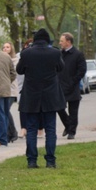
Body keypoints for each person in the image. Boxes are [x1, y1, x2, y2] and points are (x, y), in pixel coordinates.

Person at [16, 28, 65, 168]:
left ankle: (32, 160)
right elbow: (61, 68)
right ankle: (50, 160)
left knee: (31, 129)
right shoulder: (55, 53)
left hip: (31, 95)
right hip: (50, 96)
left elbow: (19, 70)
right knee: (50, 130)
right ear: (47, 39)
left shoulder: (26, 53)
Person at [57, 32, 86, 140]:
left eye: (62, 41)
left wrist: (73, 81)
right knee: (59, 108)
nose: (60, 43)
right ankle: (68, 125)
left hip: (73, 87)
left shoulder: (78, 54)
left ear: (68, 42)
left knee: (73, 111)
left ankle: (72, 132)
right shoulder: (60, 54)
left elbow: (82, 70)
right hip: (61, 87)